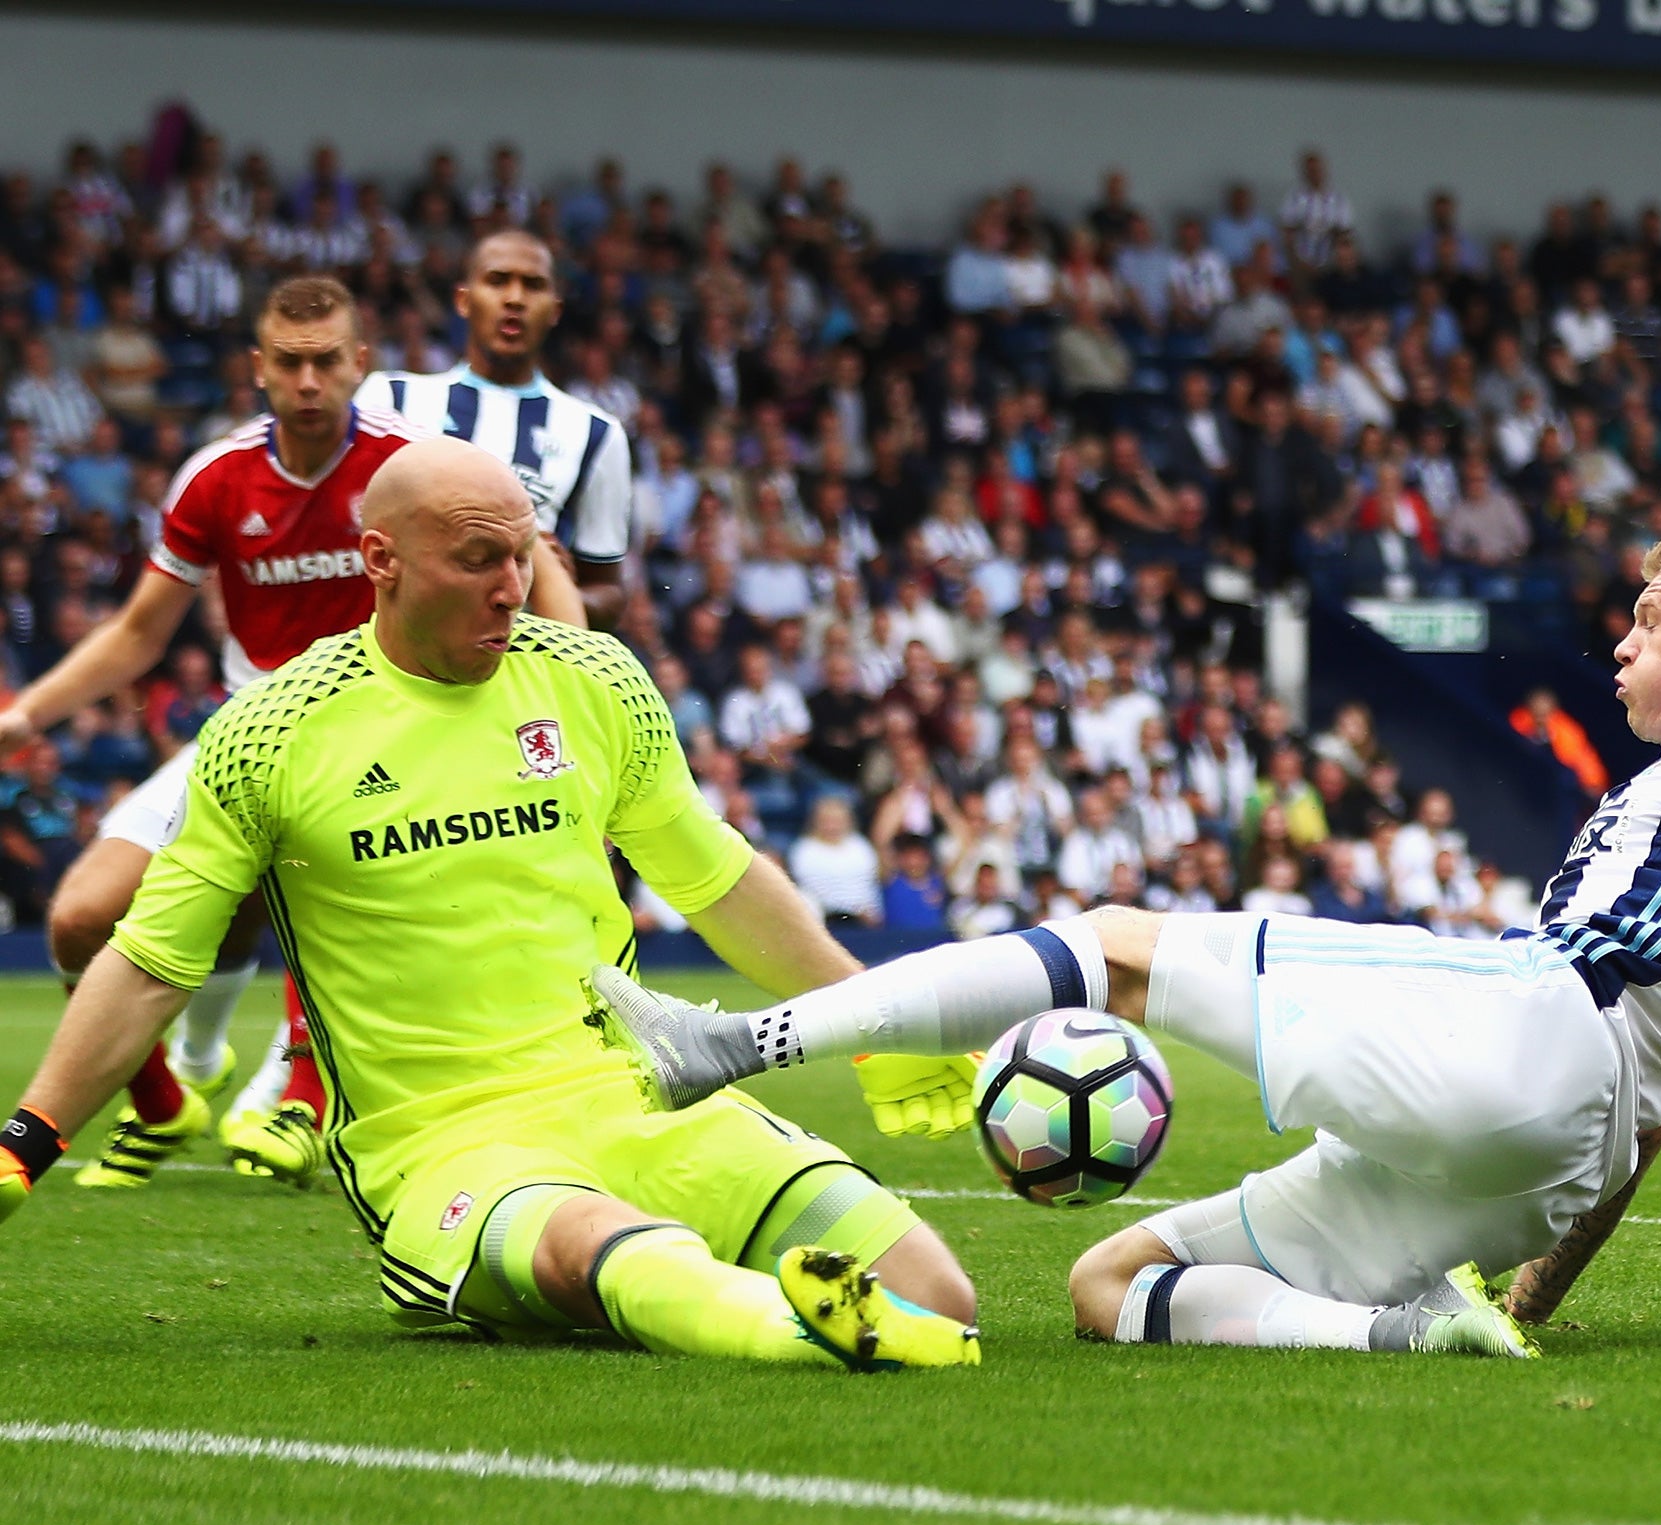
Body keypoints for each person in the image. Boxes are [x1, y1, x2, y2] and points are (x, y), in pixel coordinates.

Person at [589, 533, 1661, 1356]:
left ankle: (733, 1043)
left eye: (1646, 621)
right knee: (1112, 1286)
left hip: (1533, 1024)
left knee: (1111, 942)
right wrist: (1534, 1292)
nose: (1620, 647)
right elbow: (1642, 1122)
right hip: (1551, 1161)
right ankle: (1404, 1336)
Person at [0, 438, 980, 1374]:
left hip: (645, 1100)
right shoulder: (272, 731)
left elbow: (714, 878)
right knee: (604, 1248)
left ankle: (808, 1318)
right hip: (443, 1147)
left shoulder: (593, 680)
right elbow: (150, 964)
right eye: (476, 561)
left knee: (938, 1295)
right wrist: (26, 1143)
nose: (510, 588)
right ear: (379, 560)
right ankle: (785, 1330)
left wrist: (868, 1018)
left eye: (519, 556)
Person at [0, 277, 463, 1189]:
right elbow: (138, 632)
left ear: (359, 363)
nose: (307, 380)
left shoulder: (413, 472)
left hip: (381, 735)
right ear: (258, 369)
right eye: (288, 362)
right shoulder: (215, 477)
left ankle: (304, 1098)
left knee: (309, 882)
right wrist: (24, 715)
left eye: (327, 360)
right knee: (80, 919)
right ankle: (168, 1102)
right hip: (247, 730)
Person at [360, 230, 631, 628]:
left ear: (555, 309)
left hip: (527, 669)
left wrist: (551, 589)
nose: (515, 299)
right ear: (463, 300)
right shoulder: (391, 399)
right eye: (498, 280)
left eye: (533, 285)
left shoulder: (596, 433)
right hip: (407, 663)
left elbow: (609, 591)